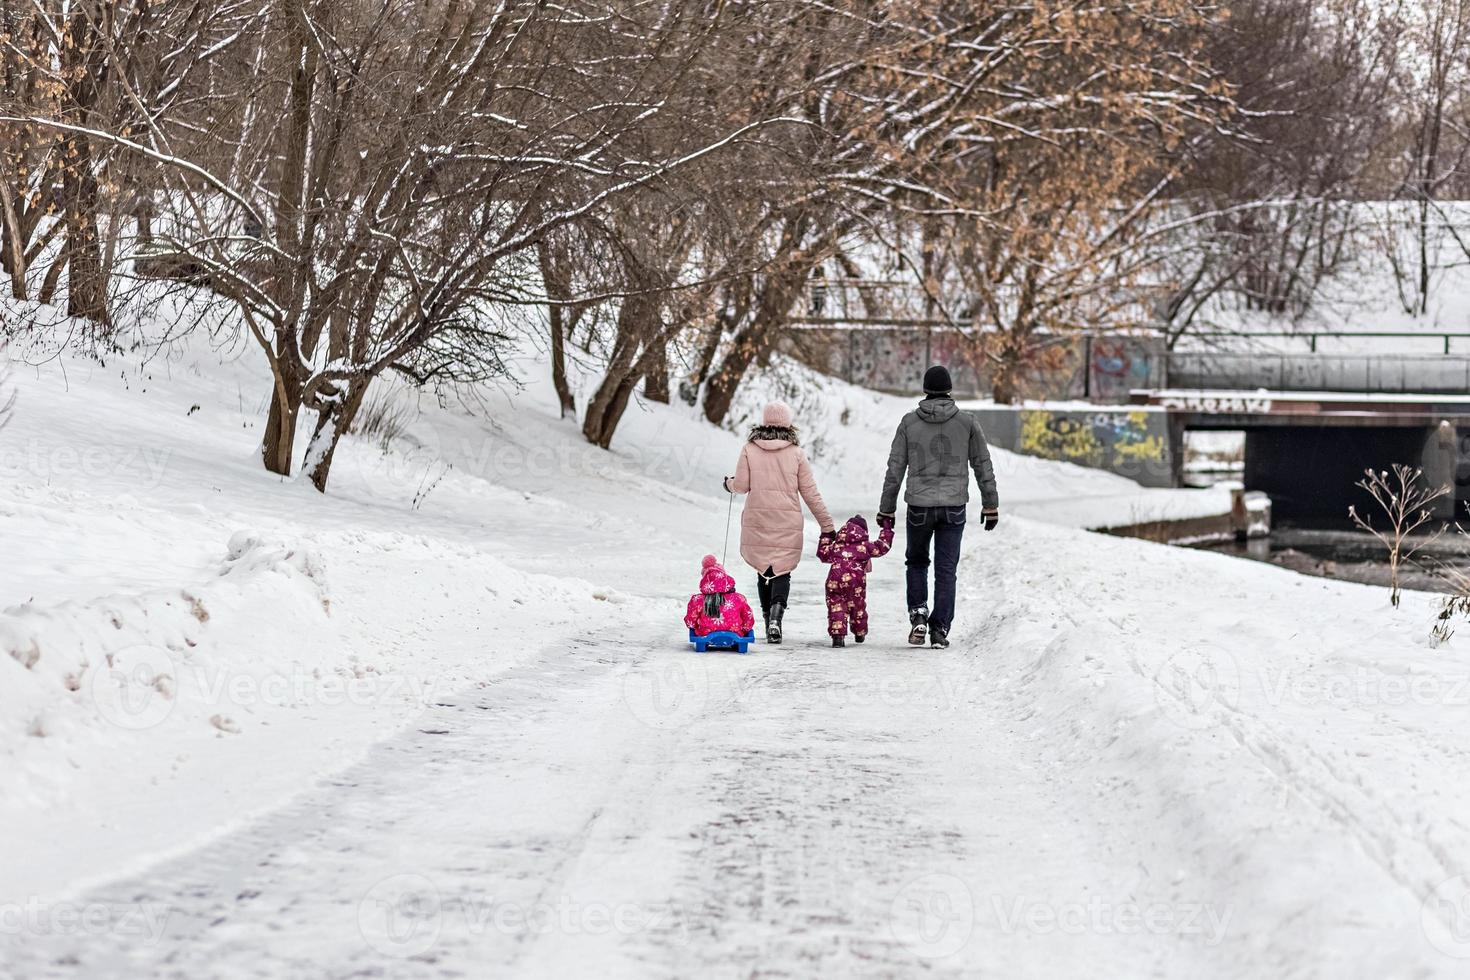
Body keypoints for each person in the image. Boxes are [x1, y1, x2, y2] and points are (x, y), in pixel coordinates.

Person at [877, 365, 999, 649]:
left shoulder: (908, 422)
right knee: (946, 569)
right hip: (953, 507)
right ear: (949, 389)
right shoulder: (967, 422)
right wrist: (990, 504)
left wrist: (887, 509)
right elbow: (983, 465)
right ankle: (939, 629)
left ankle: (918, 614)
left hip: (919, 506)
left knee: (917, 562)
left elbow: (895, 469)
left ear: (925, 390)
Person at [724, 401, 836, 644]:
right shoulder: (796, 453)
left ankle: (767, 620)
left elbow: (741, 486)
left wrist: (728, 483)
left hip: (758, 519)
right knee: (781, 570)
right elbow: (810, 493)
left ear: (764, 421)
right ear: (788, 423)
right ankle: (776, 618)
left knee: (762, 569)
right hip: (787, 520)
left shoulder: (749, 449)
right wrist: (827, 526)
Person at [817, 514, 895, 648]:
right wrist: (886, 527)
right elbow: (883, 546)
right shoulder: (865, 546)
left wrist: (826, 536)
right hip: (855, 582)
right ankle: (859, 632)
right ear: (863, 532)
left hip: (834, 580)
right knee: (857, 606)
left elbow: (823, 553)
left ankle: (838, 637)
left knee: (836, 607)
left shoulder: (836, 546)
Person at [684, 555, 757, 638]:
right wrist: (744, 630)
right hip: (735, 634)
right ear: (725, 579)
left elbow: (690, 621)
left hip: (705, 635)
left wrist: (696, 629)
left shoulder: (698, 599)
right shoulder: (739, 598)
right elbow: (748, 617)